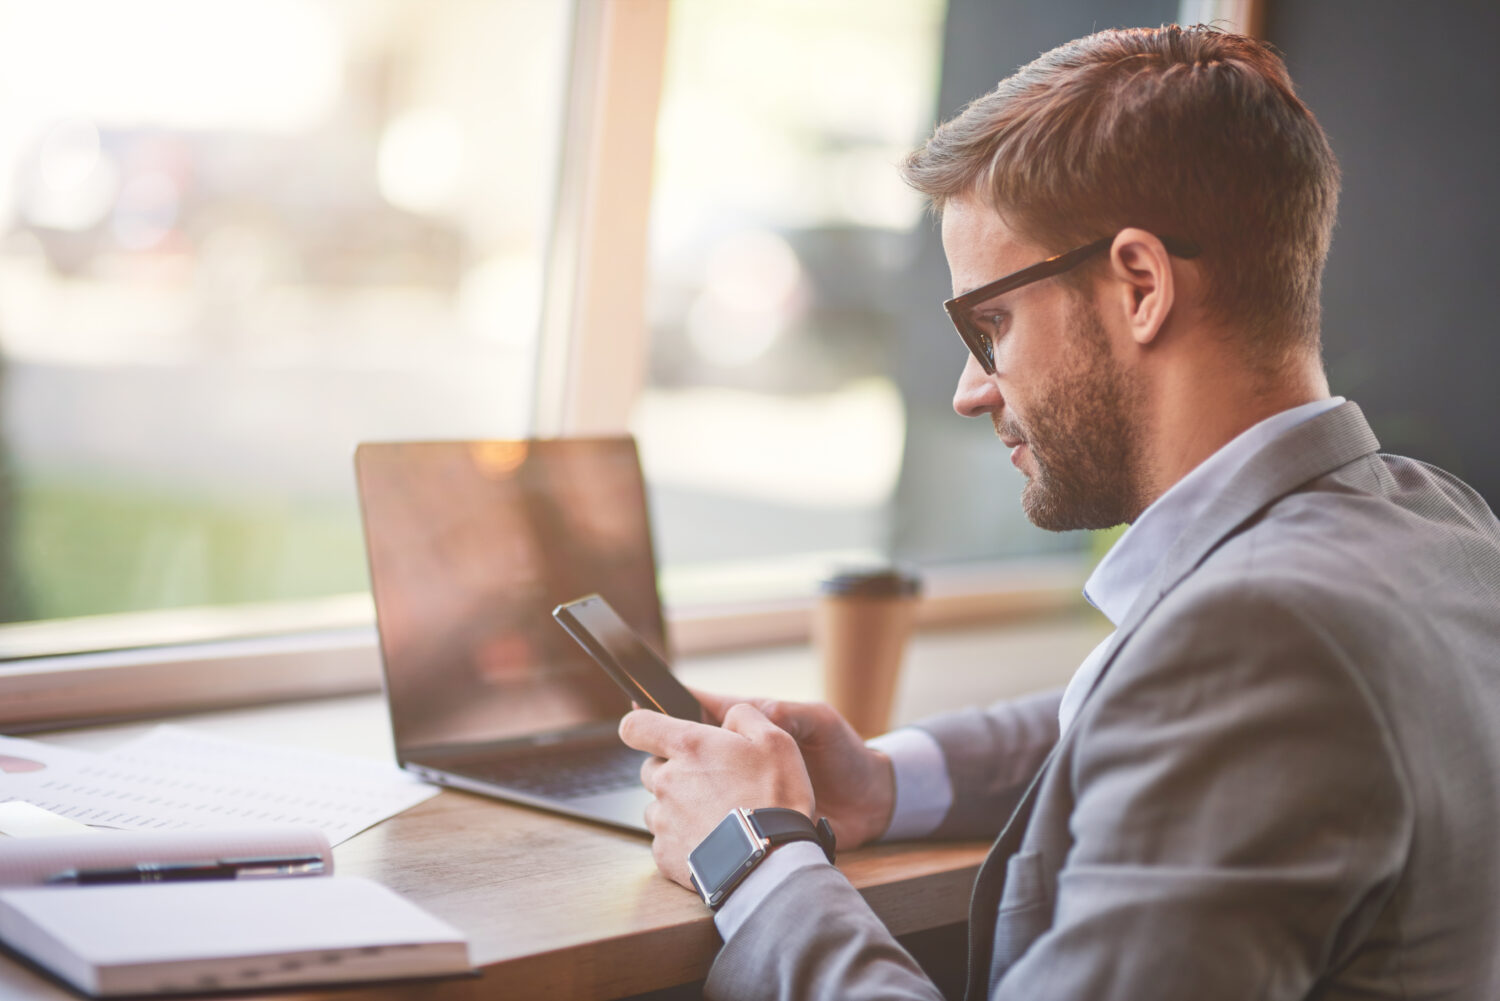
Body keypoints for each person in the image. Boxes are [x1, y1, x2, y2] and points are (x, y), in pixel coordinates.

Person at [619, 24, 1500, 1001]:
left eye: (989, 323)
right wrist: (883, 775)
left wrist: (754, 856)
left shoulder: (1258, 640)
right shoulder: (1440, 524)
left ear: (1140, 285)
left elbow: (1204, 696)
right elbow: (1137, 713)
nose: (969, 388)